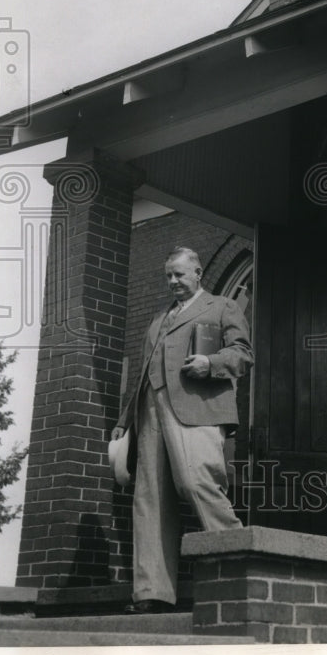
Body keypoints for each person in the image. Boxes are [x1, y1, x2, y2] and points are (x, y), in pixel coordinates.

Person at [111, 246, 254, 614]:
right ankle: (152, 592)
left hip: (198, 409)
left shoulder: (223, 306)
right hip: (151, 412)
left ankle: (241, 564)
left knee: (197, 482)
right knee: (150, 499)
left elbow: (243, 353)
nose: (173, 281)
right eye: (168, 276)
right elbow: (143, 373)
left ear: (198, 272)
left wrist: (211, 361)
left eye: (179, 274)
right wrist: (124, 422)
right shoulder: (158, 318)